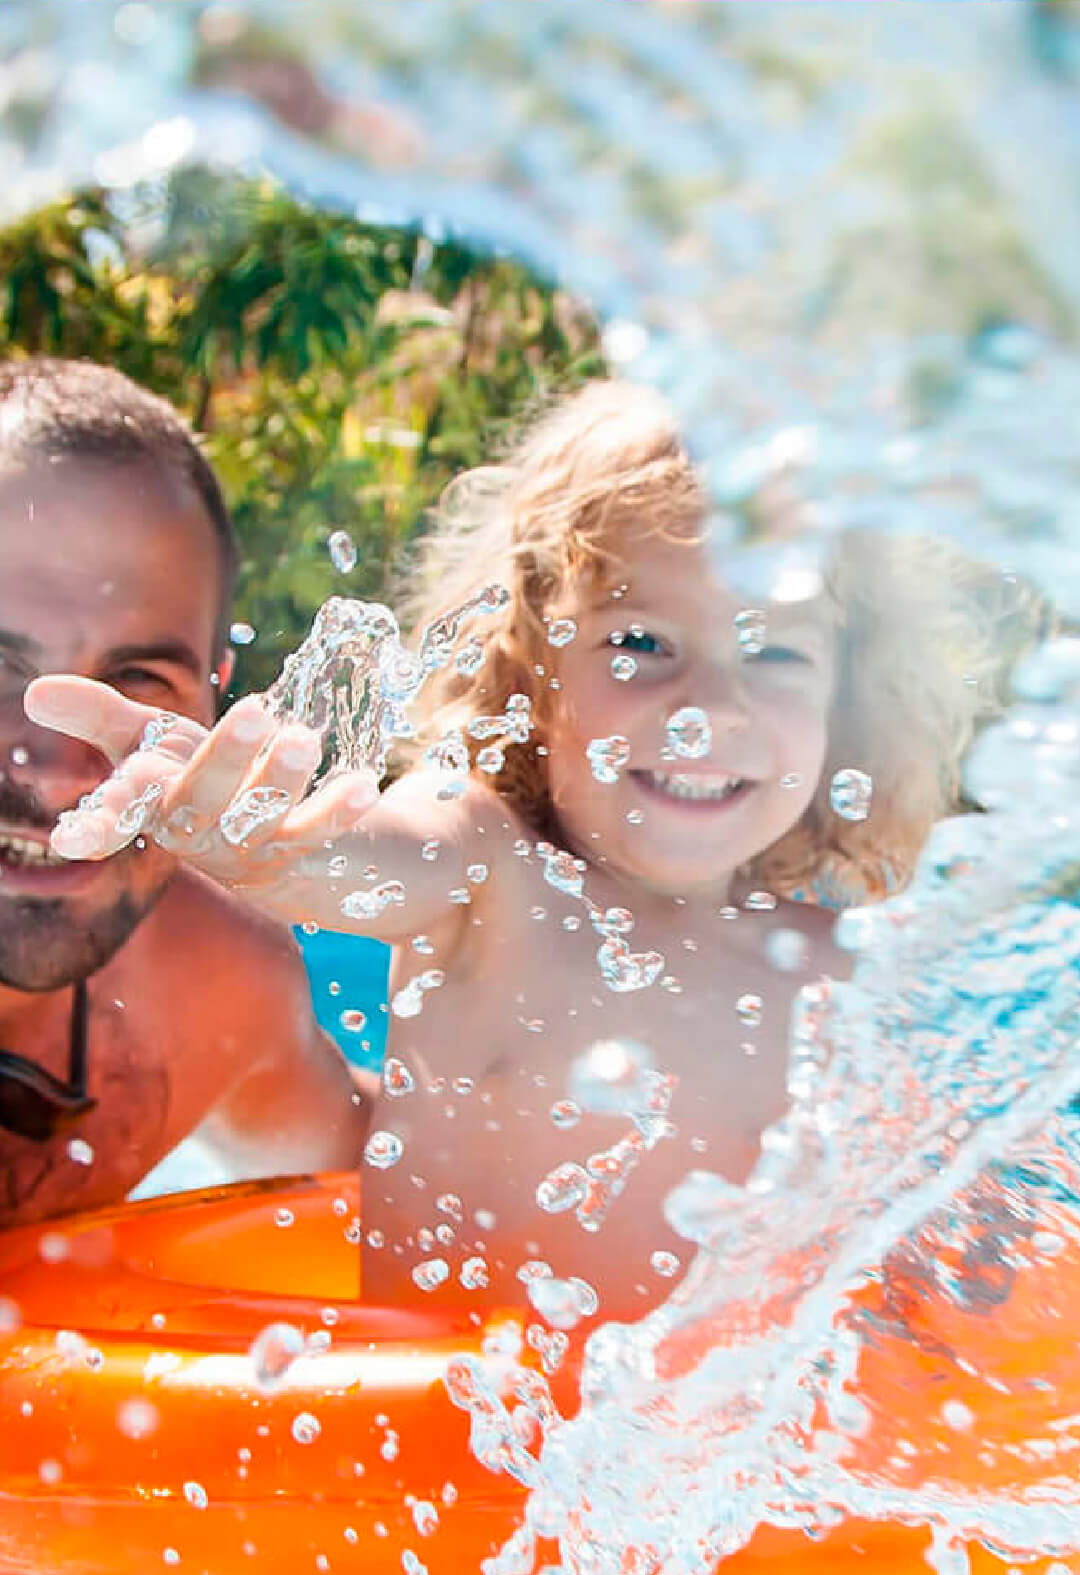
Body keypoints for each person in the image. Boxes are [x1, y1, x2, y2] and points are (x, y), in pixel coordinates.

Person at [28, 380, 990, 1316]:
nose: (707, 709)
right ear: (535, 663)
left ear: (846, 702)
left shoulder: (840, 978)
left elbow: (912, 1264)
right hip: (445, 1450)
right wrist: (266, 844)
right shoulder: (492, 867)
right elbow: (370, 859)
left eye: (775, 654)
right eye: (642, 643)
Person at [0, 355, 367, 1228]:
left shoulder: (209, 990)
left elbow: (420, 1195)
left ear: (214, 699)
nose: (57, 765)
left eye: (136, 680)